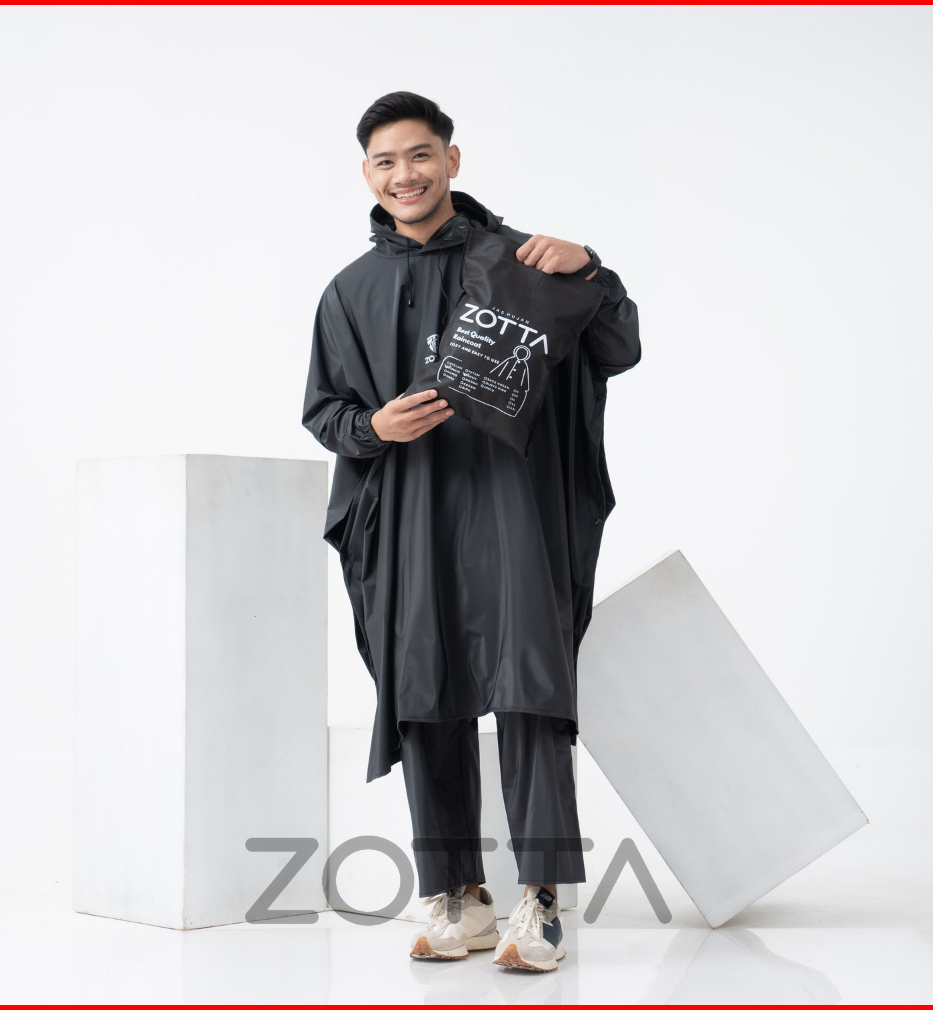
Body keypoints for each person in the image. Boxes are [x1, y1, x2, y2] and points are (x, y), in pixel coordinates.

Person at [302, 92, 640, 972]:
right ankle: (457, 899)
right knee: (426, 692)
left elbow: (619, 347)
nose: (404, 175)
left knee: (530, 689)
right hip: (412, 516)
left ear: (452, 160)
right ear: (366, 175)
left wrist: (592, 270)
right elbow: (324, 410)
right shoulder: (349, 292)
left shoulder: (522, 260)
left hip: (514, 512)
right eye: (385, 162)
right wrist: (374, 428)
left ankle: (541, 902)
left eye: (420, 155)